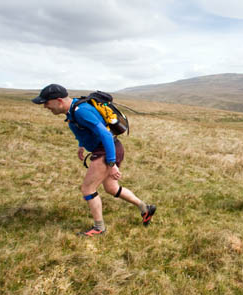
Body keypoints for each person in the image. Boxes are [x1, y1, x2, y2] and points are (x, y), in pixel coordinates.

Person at [32, 84, 156, 237]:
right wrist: (81, 144)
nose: (45, 106)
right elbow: (87, 130)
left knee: (88, 189)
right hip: (109, 148)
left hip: (106, 149)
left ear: (58, 101)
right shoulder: (73, 109)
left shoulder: (81, 111)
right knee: (111, 188)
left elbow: (105, 135)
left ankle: (99, 228)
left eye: (46, 103)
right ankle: (145, 208)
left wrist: (111, 164)